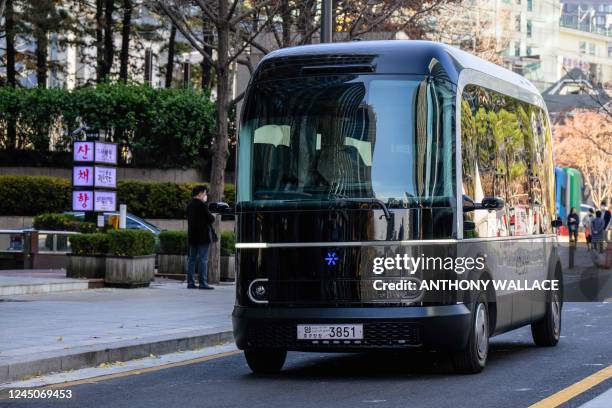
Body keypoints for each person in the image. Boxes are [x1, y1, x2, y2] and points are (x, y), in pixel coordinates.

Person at [186, 185, 216, 289]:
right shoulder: (202, 206)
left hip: (192, 236)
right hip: (203, 236)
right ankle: (203, 283)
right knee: (203, 259)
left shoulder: (189, 205)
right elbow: (210, 219)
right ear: (199, 194)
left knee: (192, 259)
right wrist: (213, 216)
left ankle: (190, 282)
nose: (205, 195)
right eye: (204, 193)